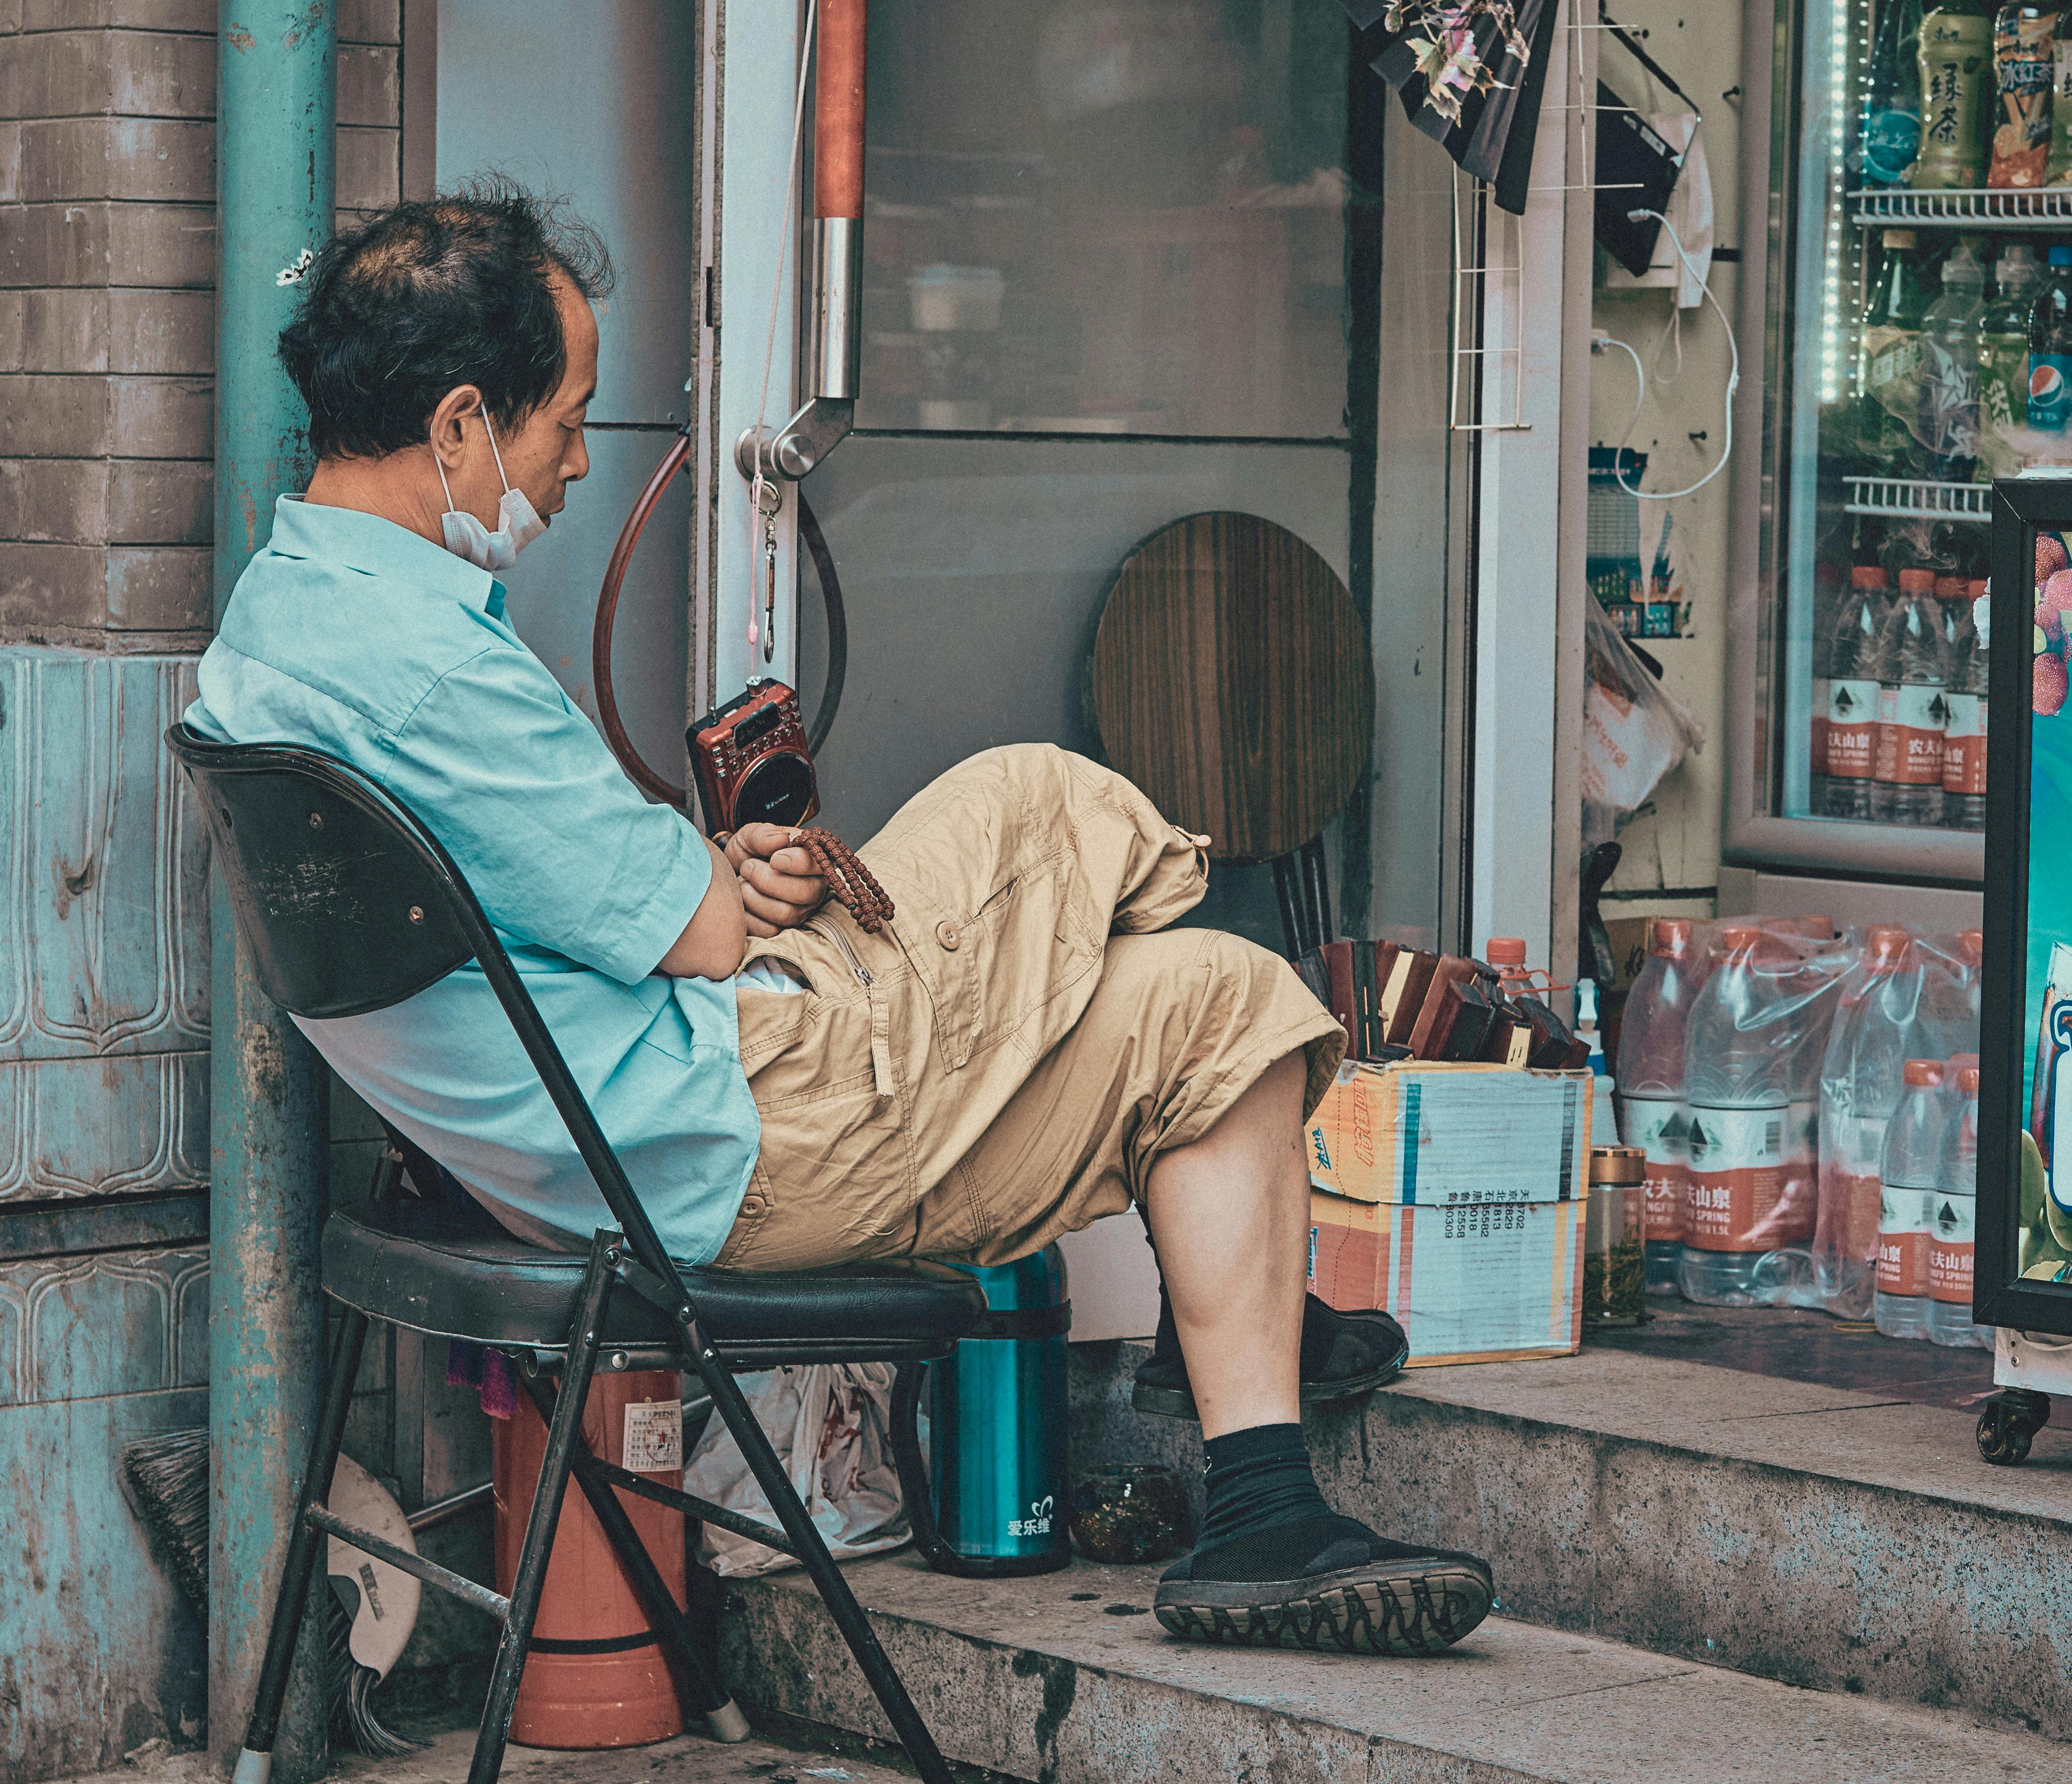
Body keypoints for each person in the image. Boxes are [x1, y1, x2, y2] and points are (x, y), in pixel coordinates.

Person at [185, 180, 1492, 1655]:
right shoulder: (431, 673)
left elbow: (646, 903)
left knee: (1062, 859)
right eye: (566, 424)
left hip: (640, 1119)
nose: (570, 468)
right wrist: (720, 887)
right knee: (1158, 926)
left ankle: (1229, 1307)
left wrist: (714, 888)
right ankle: (1252, 1443)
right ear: (461, 425)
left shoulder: (276, 630)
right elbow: (697, 927)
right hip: (736, 1135)